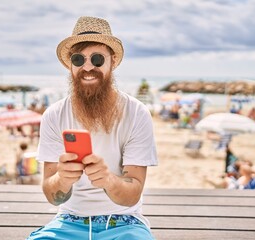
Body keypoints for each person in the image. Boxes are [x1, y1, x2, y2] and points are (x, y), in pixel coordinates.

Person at [27, 16, 158, 240]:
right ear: (70, 65)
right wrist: (63, 180)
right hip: (68, 221)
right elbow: (52, 195)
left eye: (97, 59)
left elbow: (133, 193)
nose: (87, 67)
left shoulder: (137, 113)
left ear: (113, 61)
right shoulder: (53, 115)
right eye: (78, 59)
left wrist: (108, 179)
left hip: (123, 223)